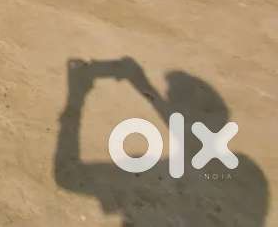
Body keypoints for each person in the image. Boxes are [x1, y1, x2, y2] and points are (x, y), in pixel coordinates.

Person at [55, 57, 268, 226]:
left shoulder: (147, 179)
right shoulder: (243, 174)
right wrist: (142, 84)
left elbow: (67, 176)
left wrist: (76, 96)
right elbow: (191, 140)